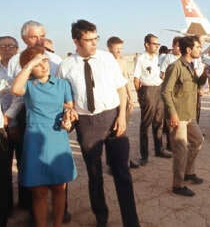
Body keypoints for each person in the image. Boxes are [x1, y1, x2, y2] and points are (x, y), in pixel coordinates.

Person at [57, 20, 140, 227]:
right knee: (95, 175)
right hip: (87, 124)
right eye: (89, 40)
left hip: (112, 118)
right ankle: (101, 217)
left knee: (122, 173)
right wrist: (69, 112)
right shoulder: (65, 66)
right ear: (76, 40)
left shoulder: (107, 59)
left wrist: (121, 117)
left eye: (96, 38)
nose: (94, 43)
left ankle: (131, 221)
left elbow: (121, 89)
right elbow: (65, 98)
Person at [6, 21, 71, 222]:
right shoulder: (17, 63)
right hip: (32, 129)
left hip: (58, 134)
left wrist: (70, 117)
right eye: (35, 36)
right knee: (37, 188)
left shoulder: (55, 61)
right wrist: (30, 64)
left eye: (43, 35)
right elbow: (15, 94)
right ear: (25, 38)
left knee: (60, 186)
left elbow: (68, 105)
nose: (40, 40)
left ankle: (59, 218)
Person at [161, 36, 207, 197]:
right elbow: (165, 91)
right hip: (178, 115)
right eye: (198, 47)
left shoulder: (190, 66)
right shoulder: (176, 67)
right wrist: (172, 114)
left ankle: (189, 172)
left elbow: (196, 85)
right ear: (188, 50)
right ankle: (178, 185)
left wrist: (206, 73)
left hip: (189, 115)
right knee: (180, 150)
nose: (200, 50)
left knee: (198, 141)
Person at [133, 33, 171, 166]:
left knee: (159, 121)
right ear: (146, 44)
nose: (156, 46)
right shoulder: (141, 58)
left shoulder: (159, 58)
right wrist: (142, 95)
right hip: (147, 90)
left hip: (158, 89)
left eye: (158, 44)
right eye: (154, 43)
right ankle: (144, 155)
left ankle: (159, 149)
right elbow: (136, 79)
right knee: (146, 123)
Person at [107, 36, 139, 169]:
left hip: (123, 99)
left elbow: (126, 79)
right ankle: (112, 164)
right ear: (109, 48)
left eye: (121, 48)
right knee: (112, 132)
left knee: (123, 129)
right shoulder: (105, 62)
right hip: (110, 100)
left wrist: (131, 97)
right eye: (117, 48)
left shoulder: (123, 61)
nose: (120, 51)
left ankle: (124, 159)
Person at [0, 36, 19, 226]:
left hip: (20, 122)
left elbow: (21, 97)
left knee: (25, 165)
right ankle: (5, 209)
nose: (7, 49)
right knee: (4, 170)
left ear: (17, 48)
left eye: (10, 45)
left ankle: (27, 204)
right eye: (3, 46)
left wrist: (11, 117)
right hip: (1, 126)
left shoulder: (21, 67)